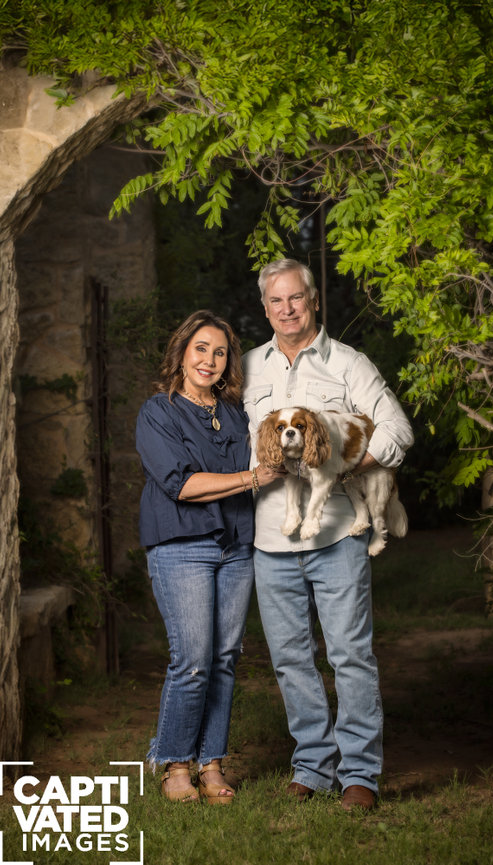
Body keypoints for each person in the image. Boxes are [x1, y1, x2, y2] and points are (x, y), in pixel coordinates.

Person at [243, 260, 413, 811]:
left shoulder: (348, 363)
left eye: (296, 298)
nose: (287, 309)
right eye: (276, 301)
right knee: (291, 658)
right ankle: (313, 765)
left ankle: (360, 773)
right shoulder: (246, 368)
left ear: (313, 301)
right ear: (265, 308)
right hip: (270, 539)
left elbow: (398, 430)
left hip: (337, 537)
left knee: (349, 655)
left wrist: (349, 463)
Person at [136, 309, 283, 805]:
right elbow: (180, 484)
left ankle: (211, 762)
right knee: (193, 660)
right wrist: (253, 478)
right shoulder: (158, 411)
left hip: (236, 546)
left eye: (219, 352)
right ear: (181, 352)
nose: (210, 359)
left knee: (224, 659)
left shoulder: (235, 413)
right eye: (201, 348)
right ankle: (175, 762)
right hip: (182, 546)